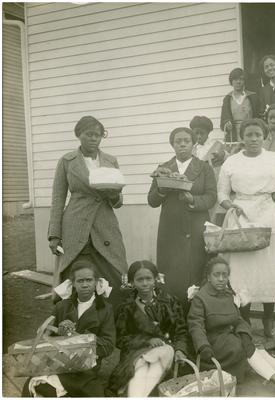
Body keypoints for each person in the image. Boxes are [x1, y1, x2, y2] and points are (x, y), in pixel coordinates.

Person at [218, 118, 275, 338]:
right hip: (240, 213)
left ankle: (268, 320)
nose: (253, 139)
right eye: (249, 135)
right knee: (242, 269)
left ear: (264, 137)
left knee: (268, 267)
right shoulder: (231, 162)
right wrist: (230, 205)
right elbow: (222, 194)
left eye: (257, 135)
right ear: (242, 137)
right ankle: (244, 321)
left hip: (267, 212)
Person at [187, 257, 275, 396]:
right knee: (245, 348)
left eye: (225, 275)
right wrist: (203, 346)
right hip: (214, 345)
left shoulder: (228, 295)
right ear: (208, 277)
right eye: (217, 275)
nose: (221, 279)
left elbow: (238, 320)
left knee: (255, 348)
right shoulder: (200, 298)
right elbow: (196, 326)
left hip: (231, 338)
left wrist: (245, 335)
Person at [48, 115, 128, 308]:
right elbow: (58, 199)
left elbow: (118, 201)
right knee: (77, 275)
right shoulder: (67, 161)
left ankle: (114, 320)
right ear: (79, 135)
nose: (94, 139)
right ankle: (72, 323)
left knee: (114, 272)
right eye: (89, 134)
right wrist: (54, 235)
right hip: (76, 224)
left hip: (105, 224)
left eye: (98, 135)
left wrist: (113, 195)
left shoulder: (110, 160)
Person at [22, 261, 115, 397]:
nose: (85, 285)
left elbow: (108, 346)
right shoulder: (61, 307)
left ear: (96, 282)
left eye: (89, 280)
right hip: (57, 363)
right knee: (36, 385)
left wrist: (75, 336)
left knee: (53, 390)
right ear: (73, 284)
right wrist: (50, 331)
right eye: (80, 281)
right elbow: (46, 338)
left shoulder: (105, 310)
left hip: (85, 369)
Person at [147, 127, 217, 310]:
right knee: (171, 275)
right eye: (178, 141)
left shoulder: (204, 168)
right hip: (171, 230)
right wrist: (162, 189)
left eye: (187, 140)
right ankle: (172, 315)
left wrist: (193, 199)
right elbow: (152, 200)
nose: (183, 144)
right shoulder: (163, 169)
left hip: (196, 228)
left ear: (193, 143)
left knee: (197, 270)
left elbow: (211, 197)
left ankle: (197, 316)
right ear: (172, 144)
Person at [109, 261, 189, 396]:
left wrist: (180, 350)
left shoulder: (170, 302)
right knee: (144, 368)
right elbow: (120, 339)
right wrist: (147, 341)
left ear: (156, 279)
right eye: (140, 279)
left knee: (167, 349)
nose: (145, 283)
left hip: (168, 353)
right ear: (132, 282)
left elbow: (181, 332)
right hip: (136, 353)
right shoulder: (125, 307)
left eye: (149, 279)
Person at [190, 115, 227, 225]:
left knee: (214, 220)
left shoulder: (218, 146)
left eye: (202, 133)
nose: (199, 136)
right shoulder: (192, 149)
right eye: (196, 133)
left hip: (214, 188)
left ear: (208, 132)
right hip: (198, 192)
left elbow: (228, 160)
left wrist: (224, 155)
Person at [220, 68, 261, 144]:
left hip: (250, 132)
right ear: (231, 81)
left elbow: (259, 117)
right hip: (234, 135)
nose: (238, 82)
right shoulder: (228, 99)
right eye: (235, 79)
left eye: (241, 79)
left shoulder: (253, 97)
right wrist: (227, 123)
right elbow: (223, 120)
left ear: (244, 81)